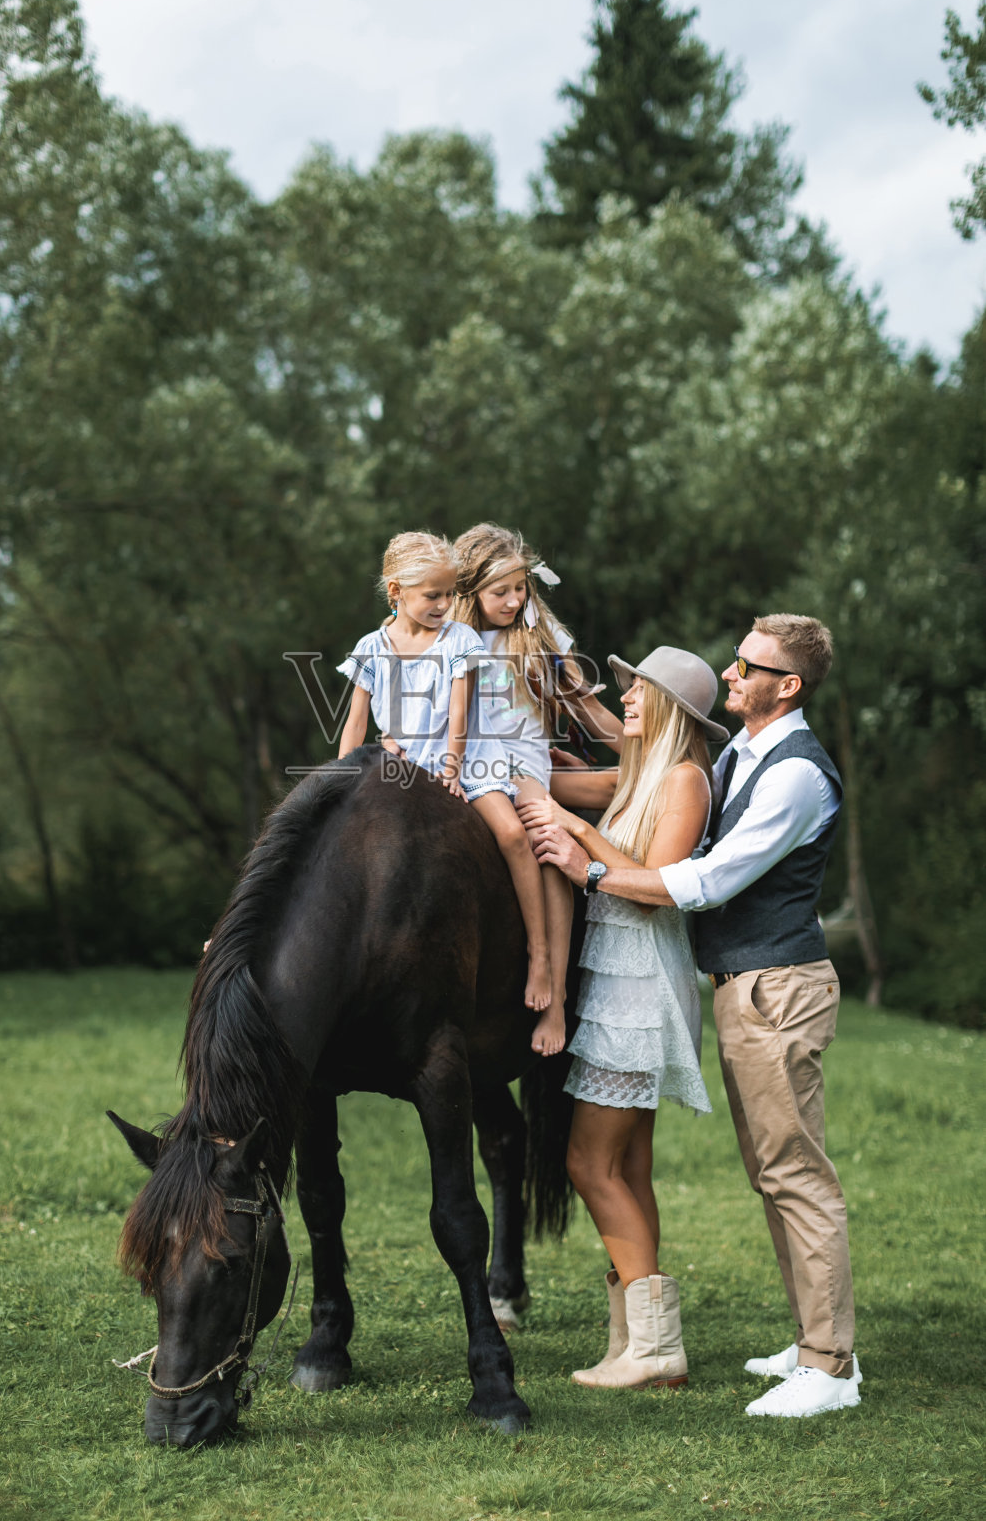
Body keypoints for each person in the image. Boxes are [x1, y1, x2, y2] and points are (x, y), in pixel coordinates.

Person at [524, 615, 860, 1419]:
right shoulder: (744, 753)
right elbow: (642, 746)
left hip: (777, 985)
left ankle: (829, 1366)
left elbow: (701, 883)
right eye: (736, 662)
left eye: (749, 667)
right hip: (744, 986)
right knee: (771, 1173)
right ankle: (807, 1343)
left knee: (794, 1176)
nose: (732, 673)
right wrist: (566, 696)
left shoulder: (795, 775)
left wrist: (586, 862)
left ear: (788, 686)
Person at [518, 646, 728, 1389]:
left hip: (639, 984)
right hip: (621, 978)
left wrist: (575, 837)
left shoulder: (684, 780)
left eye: (638, 691)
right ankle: (638, 1345)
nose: (626, 700)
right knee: (628, 1166)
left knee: (588, 1162)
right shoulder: (640, 774)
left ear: (668, 708)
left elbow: (652, 885)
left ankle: (657, 1346)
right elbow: (545, 781)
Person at [337, 529, 554, 1019]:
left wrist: (453, 769)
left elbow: (459, 712)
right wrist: (342, 777)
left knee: (513, 835)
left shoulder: (459, 639)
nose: (444, 605)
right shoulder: (371, 647)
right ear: (397, 592)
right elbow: (355, 722)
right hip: (406, 760)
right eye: (433, 595)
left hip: (469, 757)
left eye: (450, 594)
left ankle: (539, 954)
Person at [452, 524, 624, 1055]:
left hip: (525, 760)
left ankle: (554, 991)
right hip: (471, 759)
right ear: (471, 591)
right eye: (499, 591)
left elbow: (588, 709)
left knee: (548, 842)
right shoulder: (450, 636)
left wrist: (649, 754)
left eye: (520, 588)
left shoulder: (538, 633)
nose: (513, 600)